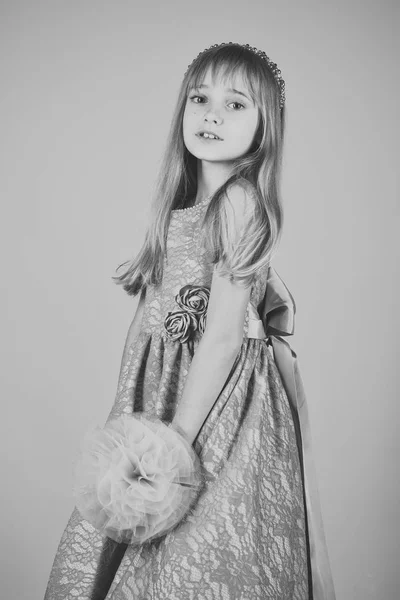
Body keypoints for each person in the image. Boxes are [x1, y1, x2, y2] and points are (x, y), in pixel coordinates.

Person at [44, 42, 336, 600]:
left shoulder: (239, 202)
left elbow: (224, 333)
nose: (211, 115)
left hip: (213, 406)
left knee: (196, 545)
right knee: (139, 547)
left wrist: (173, 443)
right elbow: (147, 325)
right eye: (200, 98)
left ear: (264, 128)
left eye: (235, 105)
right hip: (158, 396)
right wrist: (126, 413)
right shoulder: (178, 207)